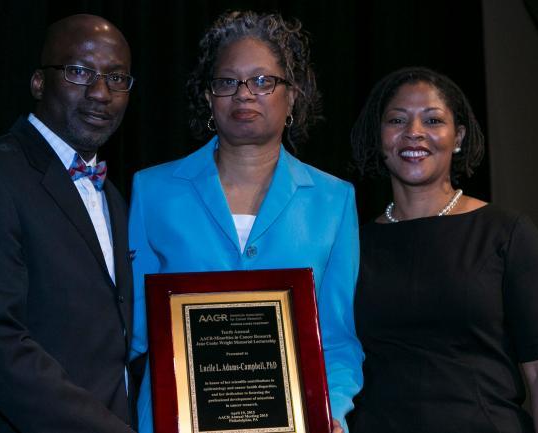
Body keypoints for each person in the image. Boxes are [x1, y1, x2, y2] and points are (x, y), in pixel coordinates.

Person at [128, 10, 362, 433]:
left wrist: (329, 413)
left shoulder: (335, 200)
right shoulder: (152, 191)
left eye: (262, 81)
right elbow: (133, 330)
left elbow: (338, 338)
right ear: (208, 98)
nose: (244, 94)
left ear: (292, 96)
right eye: (227, 82)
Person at [0, 14, 136, 433]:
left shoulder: (112, 196)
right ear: (39, 82)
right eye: (80, 72)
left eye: (117, 78)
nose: (101, 93)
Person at [348, 66, 538, 433]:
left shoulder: (506, 232)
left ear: (458, 136)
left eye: (433, 120)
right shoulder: (355, 244)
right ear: (380, 137)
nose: (414, 133)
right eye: (397, 120)